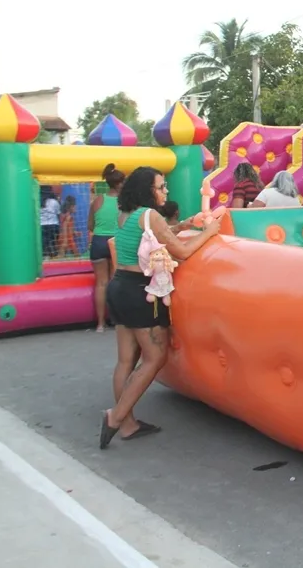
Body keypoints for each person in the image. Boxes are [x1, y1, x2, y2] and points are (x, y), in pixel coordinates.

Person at [99, 167, 221, 449]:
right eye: (161, 187)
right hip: (140, 292)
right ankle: (116, 417)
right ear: (147, 190)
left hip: (120, 286)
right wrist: (210, 232)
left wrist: (185, 224)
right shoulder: (150, 214)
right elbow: (183, 252)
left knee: (125, 360)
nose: (166, 191)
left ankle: (127, 424)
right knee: (155, 357)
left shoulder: (128, 214)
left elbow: (156, 237)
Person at [90, 164, 126, 332]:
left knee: (101, 283)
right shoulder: (124, 202)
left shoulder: (98, 200)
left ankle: (100, 324)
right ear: (119, 184)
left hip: (98, 241)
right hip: (116, 241)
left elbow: (90, 225)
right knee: (115, 281)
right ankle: (117, 320)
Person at [39, 185, 61, 258]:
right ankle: (53, 255)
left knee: (44, 243)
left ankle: (44, 255)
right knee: (53, 241)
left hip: (42, 225)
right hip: (53, 225)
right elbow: (58, 213)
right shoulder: (54, 202)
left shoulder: (38, 203)